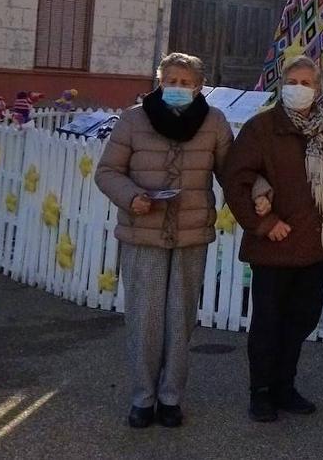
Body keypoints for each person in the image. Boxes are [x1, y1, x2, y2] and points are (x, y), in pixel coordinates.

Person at [95, 53, 232, 429]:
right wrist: (131, 196)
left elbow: (232, 173)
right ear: (159, 82)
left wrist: (262, 193)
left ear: (199, 87)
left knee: (180, 319)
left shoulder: (214, 122)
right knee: (144, 318)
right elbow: (107, 172)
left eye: (185, 82)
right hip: (144, 234)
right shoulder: (134, 119)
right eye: (170, 80)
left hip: (191, 235)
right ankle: (143, 398)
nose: (177, 87)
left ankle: (171, 397)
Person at [220, 55, 323, 423]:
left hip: (314, 246)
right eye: (293, 81)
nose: (299, 89)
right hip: (274, 246)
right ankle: (261, 392)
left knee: (301, 320)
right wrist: (265, 222)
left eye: (307, 83)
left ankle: (284, 386)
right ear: (282, 85)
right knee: (268, 323)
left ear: (318, 90)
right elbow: (236, 179)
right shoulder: (262, 128)